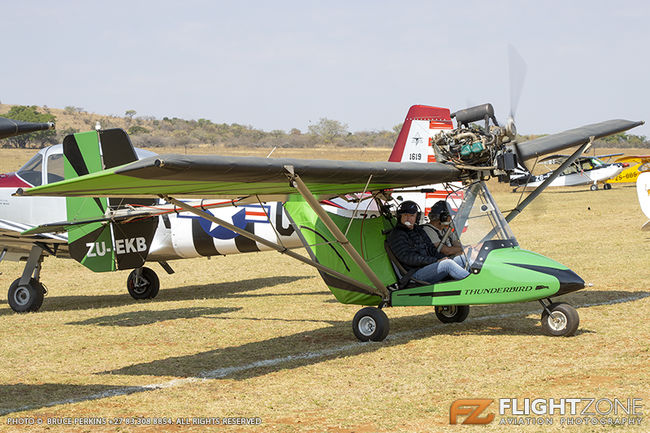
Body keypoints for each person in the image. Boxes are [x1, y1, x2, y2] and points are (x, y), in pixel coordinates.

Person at [387, 200, 469, 284]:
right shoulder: (396, 235)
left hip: (427, 266)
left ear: (417, 217)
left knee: (464, 258)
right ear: (399, 217)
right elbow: (408, 258)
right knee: (447, 264)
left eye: (411, 215)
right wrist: (435, 261)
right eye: (405, 215)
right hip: (414, 274)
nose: (408, 218)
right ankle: (474, 284)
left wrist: (441, 258)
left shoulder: (418, 230)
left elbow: (431, 248)